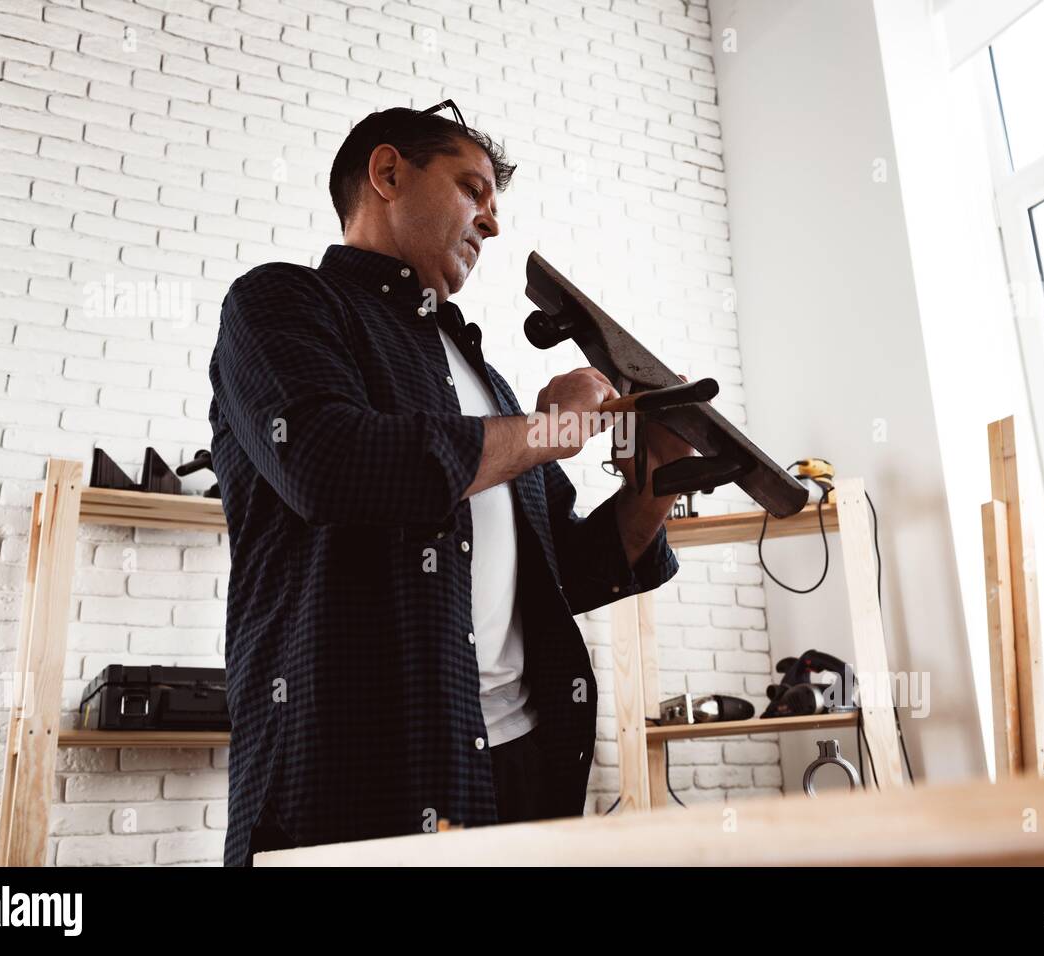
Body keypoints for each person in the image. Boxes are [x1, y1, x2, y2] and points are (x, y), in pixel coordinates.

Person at [208, 102, 688, 866]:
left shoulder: (487, 382)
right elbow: (330, 463)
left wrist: (652, 490)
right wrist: (553, 431)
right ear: (389, 173)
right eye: (473, 189)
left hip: (522, 766)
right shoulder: (281, 305)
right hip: (358, 773)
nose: (491, 224)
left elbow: (566, 570)